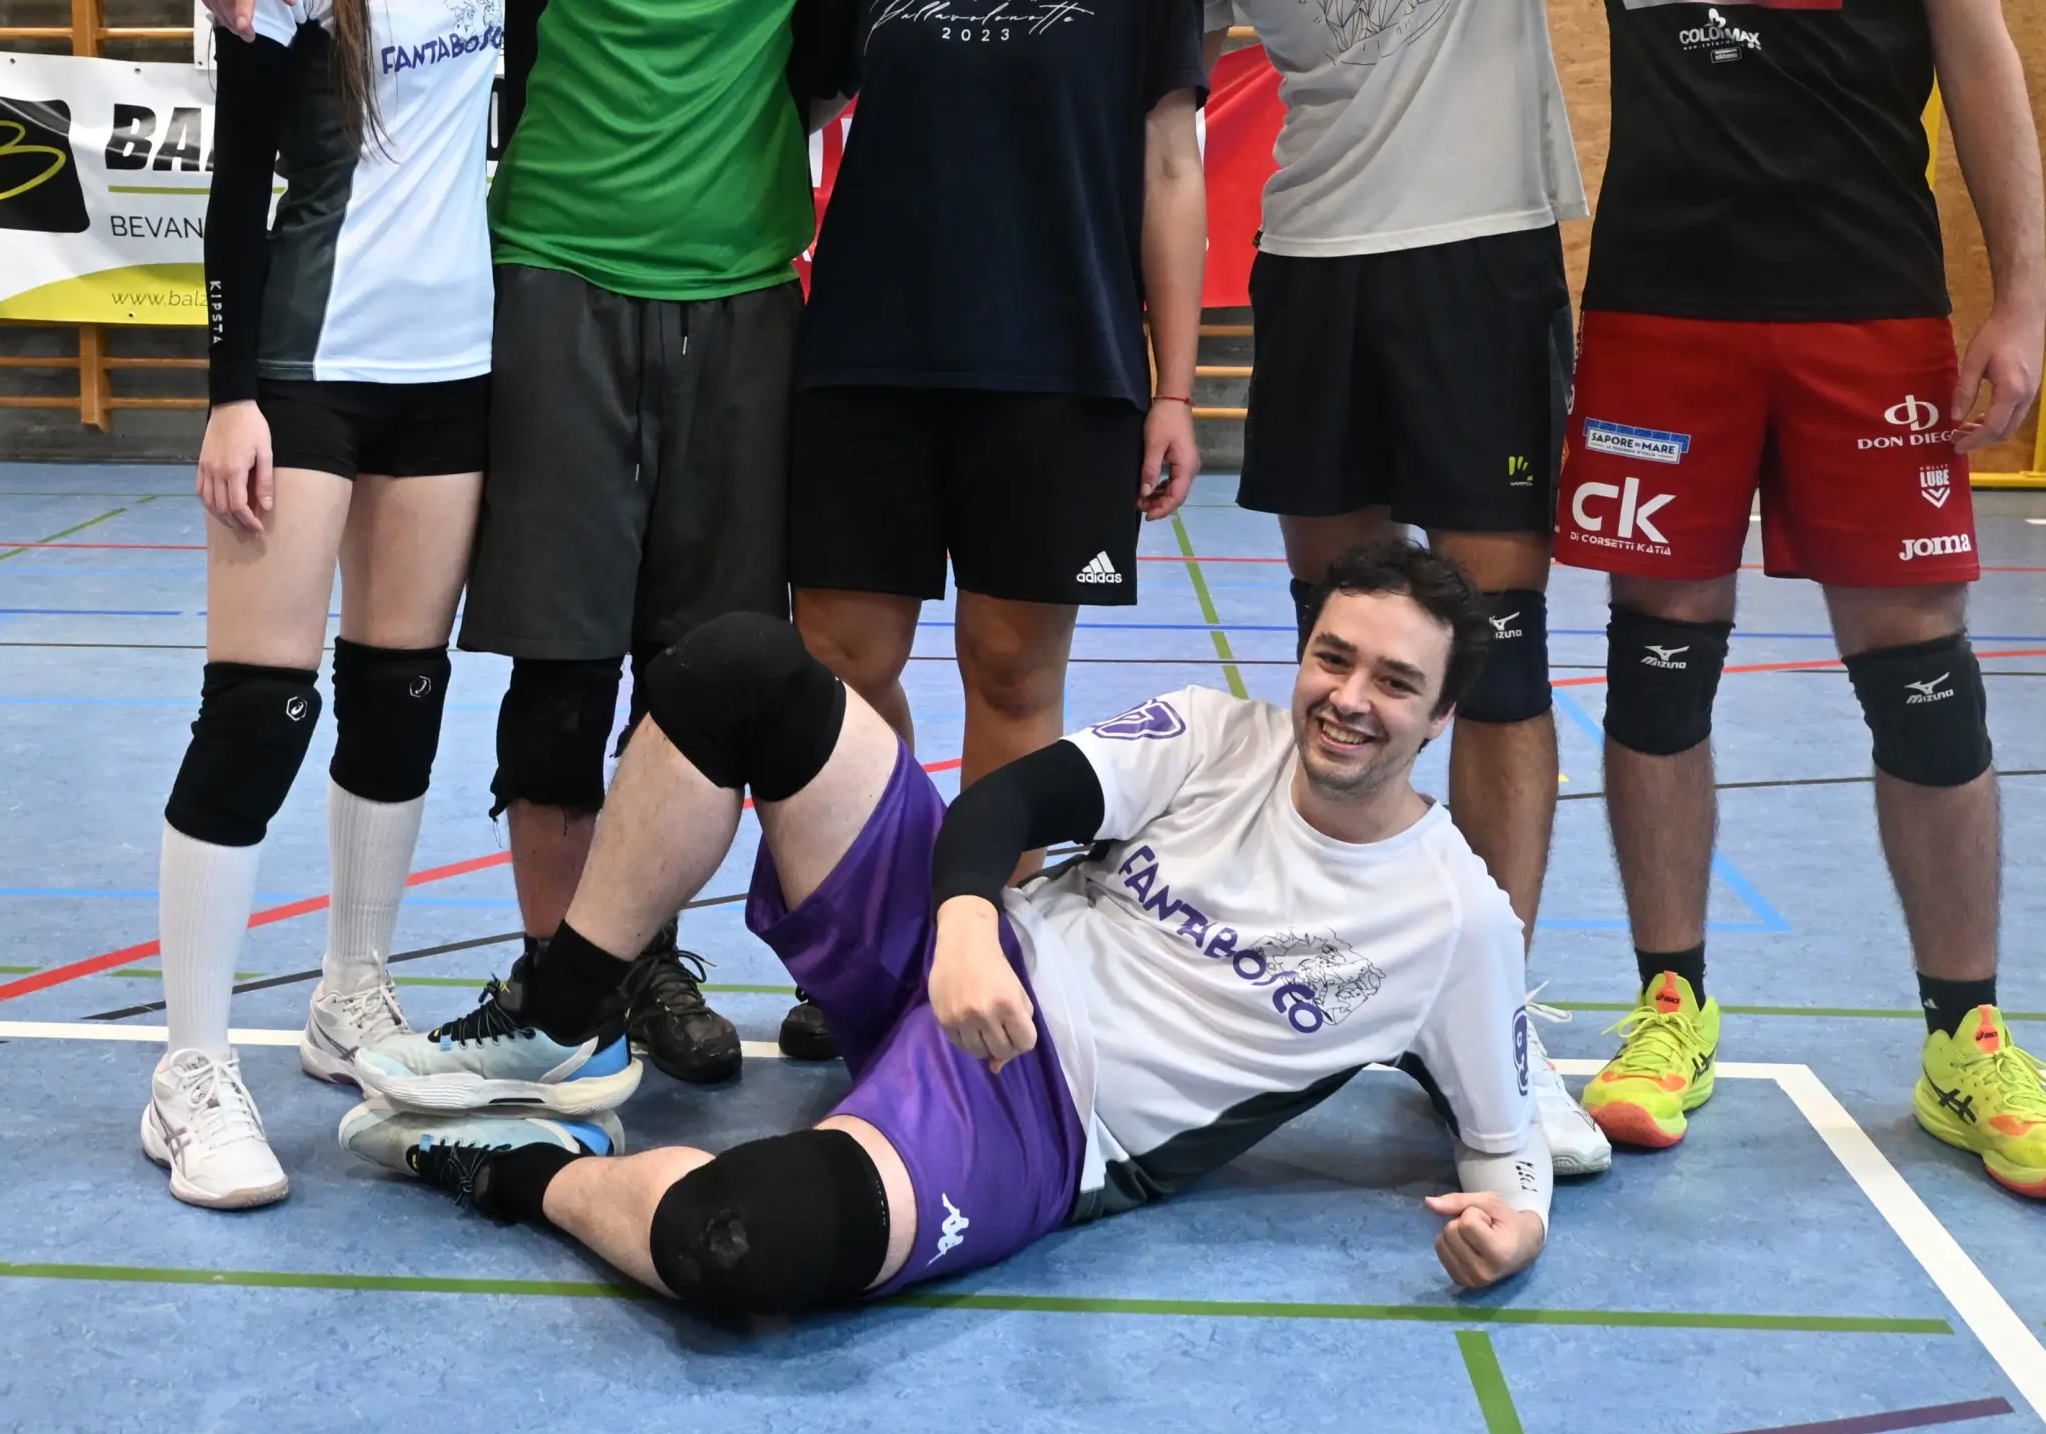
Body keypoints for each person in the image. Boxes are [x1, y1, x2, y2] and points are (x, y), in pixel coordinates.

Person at [198, 0, 1238, 1092]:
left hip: (756, 317)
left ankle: (669, 957)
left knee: (707, 670)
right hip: (553, 294)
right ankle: (571, 988)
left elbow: (951, 8)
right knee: (559, 682)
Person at [1153, 0, 1973, 1176]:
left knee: (1501, 655)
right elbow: (1138, 88)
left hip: (1487, 260)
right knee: (1340, 657)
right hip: (1312, 268)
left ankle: (1489, 1009)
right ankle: (1340, 980)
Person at [1531, 0, 2046, 1199]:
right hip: (1658, 316)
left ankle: (1967, 1042)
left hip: (1869, 312)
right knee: (1658, 664)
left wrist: (2021, 293)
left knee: (1918, 675)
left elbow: (1985, 66)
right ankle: (1668, 1007)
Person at [334, 539, 1557, 1315]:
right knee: (745, 667)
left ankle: (514, 1167)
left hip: (1042, 1119)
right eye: (1332, 657)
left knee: (736, 1243)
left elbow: (1510, 1164)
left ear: (1442, 712)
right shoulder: (1216, 734)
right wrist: (968, 924)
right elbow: (1011, 802)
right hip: (962, 948)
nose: (1348, 698)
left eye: (1393, 681)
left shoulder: (1453, 921)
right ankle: (559, 1020)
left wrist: (1514, 1231)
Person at [145, 0, 610, 1207]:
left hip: (454, 371)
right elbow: (231, 189)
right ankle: (190, 1065)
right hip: (308, 366)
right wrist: (227, 391)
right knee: (257, 714)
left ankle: (352, 992)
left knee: (402, 696)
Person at [785, 0, 1208, 924]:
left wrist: (1174, 388)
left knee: (1013, 675)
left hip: (1062, 366)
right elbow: (797, 101)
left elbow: (1170, 168)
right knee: (839, 667)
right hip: (868, 357)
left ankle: (992, 947)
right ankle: (880, 924)